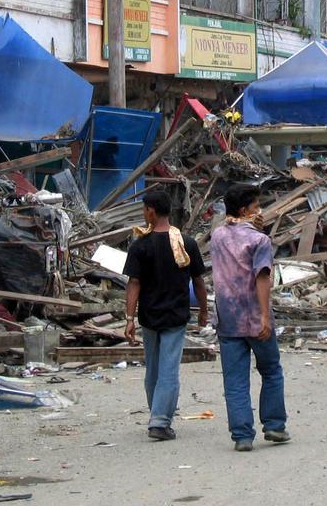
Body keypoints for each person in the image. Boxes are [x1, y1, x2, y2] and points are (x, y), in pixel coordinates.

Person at [209, 184, 289, 452]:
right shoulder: (260, 241)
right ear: (245, 210)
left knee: (235, 380)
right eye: (256, 206)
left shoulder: (217, 236)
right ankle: (275, 425)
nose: (260, 211)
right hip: (255, 317)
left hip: (228, 319)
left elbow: (228, 227)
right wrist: (266, 316)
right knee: (271, 370)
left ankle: (242, 435)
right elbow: (262, 277)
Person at [123, 190, 207, 442]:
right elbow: (199, 281)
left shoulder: (140, 245)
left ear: (150, 211)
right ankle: (160, 421)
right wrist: (203, 310)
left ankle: (157, 415)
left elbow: (134, 283)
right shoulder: (186, 243)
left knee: (154, 369)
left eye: (144, 209)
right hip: (176, 316)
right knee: (169, 369)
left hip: (149, 316)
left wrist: (129, 318)